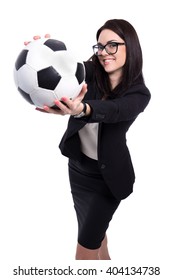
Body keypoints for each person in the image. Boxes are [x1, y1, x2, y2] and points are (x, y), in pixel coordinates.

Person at [29, 19, 151, 260]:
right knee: (97, 237)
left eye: (112, 45)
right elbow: (67, 69)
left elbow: (116, 110)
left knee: (84, 252)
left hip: (107, 180)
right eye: (100, 47)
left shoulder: (139, 94)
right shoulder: (92, 70)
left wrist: (81, 109)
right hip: (78, 169)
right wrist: (40, 54)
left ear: (131, 47)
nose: (104, 53)